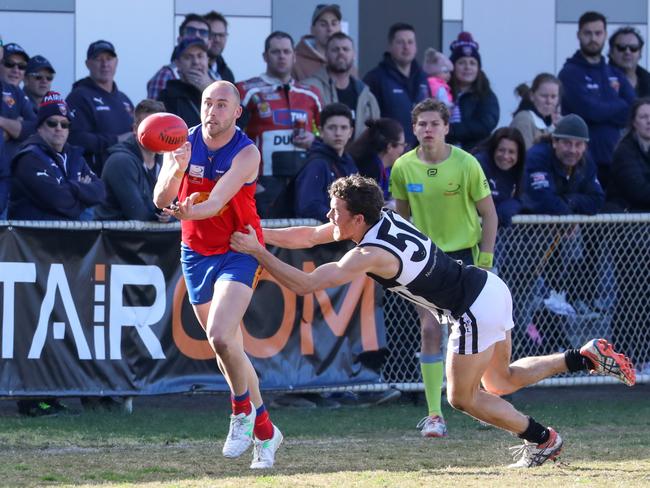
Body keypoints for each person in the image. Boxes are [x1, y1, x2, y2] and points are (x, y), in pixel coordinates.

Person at [230, 173, 636, 468]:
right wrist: (259, 236)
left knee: (463, 398)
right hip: (487, 288)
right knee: (502, 381)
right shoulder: (381, 218)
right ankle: (583, 357)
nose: (329, 217)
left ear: (357, 219)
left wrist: (258, 253)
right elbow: (314, 235)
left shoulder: (369, 253)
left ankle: (544, 440)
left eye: (335, 212)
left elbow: (307, 284)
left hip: (472, 306)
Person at [153, 80, 282, 469]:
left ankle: (240, 410)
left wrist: (187, 209)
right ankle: (265, 432)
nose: (213, 110)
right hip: (195, 252)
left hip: (239, 247)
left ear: (237, 112)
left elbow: (216, 202)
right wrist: (175, 172)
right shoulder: (181, 141)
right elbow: (160, 200)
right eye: (208, 103)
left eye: (222, 104)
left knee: (221, 334)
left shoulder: (246, 152)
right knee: (229, 350)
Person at [390, 98, 498, 438]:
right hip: (425, 259)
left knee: (473, 332)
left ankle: (481, 402)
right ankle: (435, 414)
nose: (428, 129)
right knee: (430, 330)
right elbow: (401, 219)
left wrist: (485, 257)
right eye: (422, 124)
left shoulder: (467, 164)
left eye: (435, 123)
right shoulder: (403, 167)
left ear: (447, 128)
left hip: (465, 255)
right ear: (414, 128)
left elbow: (490, 214)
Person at [523, 114, 605, 322]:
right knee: (524, 291)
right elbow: (543, 199)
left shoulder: (585, 161)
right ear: (555, 141)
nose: (573, 150)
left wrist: (569, 202)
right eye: (567, 143)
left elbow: (597, 200)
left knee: (555, 298)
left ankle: (553, 342)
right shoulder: (538, 155)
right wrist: (569, 217)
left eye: (578, 145)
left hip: (562, 240)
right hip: (529, 238)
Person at [236, 31, 321, 217]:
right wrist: (246, 180)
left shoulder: (311, 94)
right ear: (265, 56)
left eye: (286, 51)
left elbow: (329, 137)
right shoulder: (247, 90)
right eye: (276, 52)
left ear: (294, 56)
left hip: (304, 180)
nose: (282, 56)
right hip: (264, 182)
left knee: (304, 240)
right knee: (266, 240)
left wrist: (314, 140)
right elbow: (231, 137)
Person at [558, 11, 635, 190]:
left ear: (605, 35)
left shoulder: (614, 73)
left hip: (615, 160)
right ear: (578, 35)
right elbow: (589, 111)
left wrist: (603, 110)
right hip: (581, 162)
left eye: (598, 33)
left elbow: (632, 109)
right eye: (588, 33)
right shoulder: (569, 73)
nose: (593, 38)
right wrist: (617, 106)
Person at [8, 91, 105, 220]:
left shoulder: (75, 156)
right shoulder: (28, 157)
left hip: (69, 235)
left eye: (64, 124)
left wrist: (70, 188)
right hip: (34, 237)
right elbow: (58, 200)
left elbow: (100, 192)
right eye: (52, 123)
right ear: (39, 127)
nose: (59, 128)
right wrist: (81, 190)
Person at [607, 97, 650, 374]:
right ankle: (623, 357)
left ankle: (643, 356)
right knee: (632, 297)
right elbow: (639, 191)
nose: (649, 122)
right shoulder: (625, 151)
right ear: (634, 121)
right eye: (645, 117)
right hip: (629, 238)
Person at [95, 99, 171, 222]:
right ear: (135, 129)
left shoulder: (166, 159)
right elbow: (138, 214)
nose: (156, 133)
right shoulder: (120, 161)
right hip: (117, 238)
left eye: (160, 127)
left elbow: (178, 209)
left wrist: (170, 216)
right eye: (149, 127)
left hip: (147, 237)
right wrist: (166, 217)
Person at [66, 40, 134, 174]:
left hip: (125, 174)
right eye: (98, 59)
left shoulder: (124, 99)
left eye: (109, 59)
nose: (105, 64)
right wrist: (116, 140)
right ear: (87, 64)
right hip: (96, 179)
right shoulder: (78, 97)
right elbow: (74, 138)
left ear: (116, 62)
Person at [303, 32, 380, 140]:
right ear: (325, 54)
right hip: (322, 154)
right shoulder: (309, 89)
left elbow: (376, 133)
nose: (341, 53)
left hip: (357, 157)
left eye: (345, 49)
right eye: (335, 50)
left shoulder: (366, 96)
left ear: (354, 54)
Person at [363, 22, 430, 147]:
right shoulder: (376, 78)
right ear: (389, 46)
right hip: (389, 151)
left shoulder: (423, 79)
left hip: (420, 151)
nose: (406, 47)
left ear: (416, 47)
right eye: (400, 42)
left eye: (410, 42)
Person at [294, 103, 357, 220]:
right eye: (332, 127)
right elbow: (308, 206)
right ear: (321, 131)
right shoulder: (316, 164)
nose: (338, 133)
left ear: (350, 132)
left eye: (343, 128)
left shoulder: (349, 162)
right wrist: (344, 218)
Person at [446, 32, 499, 151]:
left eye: (472, 63)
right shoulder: (442, 91)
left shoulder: (487, 96)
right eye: (461, 63)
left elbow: (485, 125)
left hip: (475, 154)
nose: (467, 67)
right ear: (453, 67)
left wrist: (451, 130)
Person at [0, 45, 37, 217]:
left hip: (10, 180)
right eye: (10, 64)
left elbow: (34, 128)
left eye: (21, 66)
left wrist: (2, 122)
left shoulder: (17, 93)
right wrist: (15, 125)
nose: (16, 70)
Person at [147, 13, 213, 99]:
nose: (197, 36)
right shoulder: (166, 76)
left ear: (209, 43)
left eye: (203, 33)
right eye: (190, 31)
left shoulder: (215, 76)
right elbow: (154, 110)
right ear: (179, 39)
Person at [474, 127, 526, 228]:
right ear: (493, 149)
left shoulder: (519, 170)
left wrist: (510, 205)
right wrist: (496, 211)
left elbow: (523, 198)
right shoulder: (478, 164)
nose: (505, 156)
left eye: (511, 152)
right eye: (501, 150)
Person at [348, 117, 406, 207]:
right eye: (402, 145)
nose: (404, 149)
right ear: (390, 146)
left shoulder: (387, 168)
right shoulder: (370, 169)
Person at [158, 37, 211, 127]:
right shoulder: (168, 97)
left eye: (200, 56)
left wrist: (210, 91)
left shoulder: (221, 89)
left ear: (207, 60)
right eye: (188, 57)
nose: (196, 62)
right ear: (178, 64)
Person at [510, 73, 561, 150]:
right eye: (544, 96)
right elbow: (525, 157)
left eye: (553, 97)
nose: (549, 101)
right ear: (532, 96)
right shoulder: (524, 120)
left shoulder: (550, 124)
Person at [293, 4, 342, 81]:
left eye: (334, 24)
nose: (330, 29)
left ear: (340, 29)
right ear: (312, 30)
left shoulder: (346, 63)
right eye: (323, 25)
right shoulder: (296, 63)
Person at [608, 26, 650, 98]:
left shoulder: (648, 81)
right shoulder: (600, 80)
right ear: (611, 52)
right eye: (621, 47)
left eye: (633, 48)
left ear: (640, 53)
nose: (627, 52)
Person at [204, 11, 235, 83]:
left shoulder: (227, 74)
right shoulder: (187, 69)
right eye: (212, 34)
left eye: (221, 35)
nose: (217, 40)